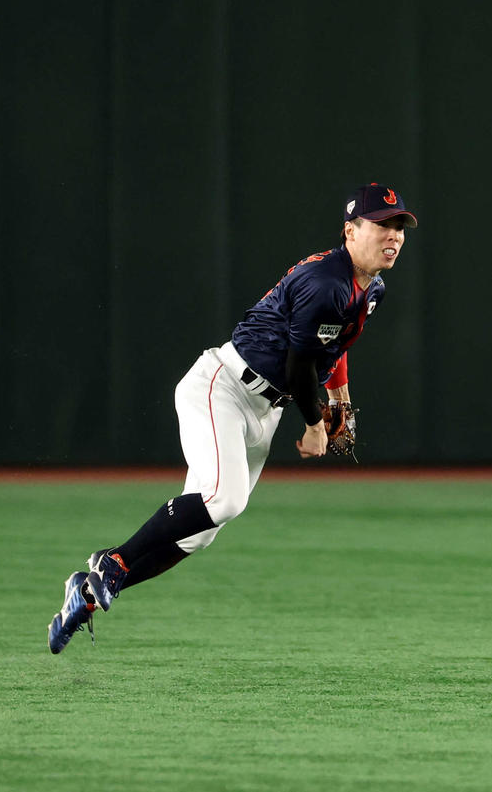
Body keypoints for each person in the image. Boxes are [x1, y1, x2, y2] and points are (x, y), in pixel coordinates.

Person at [48, 183, 417, 653]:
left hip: (264, 408)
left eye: (399, 226)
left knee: (199, 535)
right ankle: (112, 561)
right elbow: (300, 365)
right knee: (224, 500)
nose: (394, 235)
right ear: (350, 230)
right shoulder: (327, 282)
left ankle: (86, 594)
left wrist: (340, 396)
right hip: (222, 386)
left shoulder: (371, 288)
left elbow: (335, 345)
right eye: (382, 225)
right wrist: (314, 424)